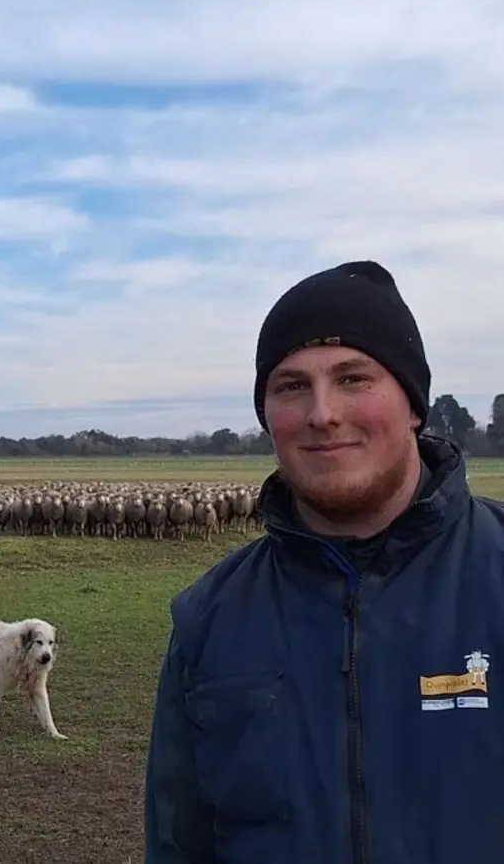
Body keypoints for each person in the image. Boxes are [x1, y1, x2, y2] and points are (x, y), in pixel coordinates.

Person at [143, 259, 504, 864]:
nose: (322, 413)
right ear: (267, 418)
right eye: (291, 387)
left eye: (354, 378)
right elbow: (179, 844)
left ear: (414, 404)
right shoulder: (209, 620)